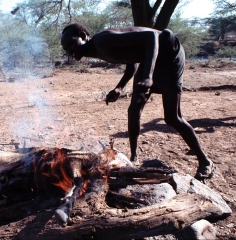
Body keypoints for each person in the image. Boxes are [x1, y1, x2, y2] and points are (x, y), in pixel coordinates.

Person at [60, 23, 216, 182]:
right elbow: (132, 60)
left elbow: (151, 37)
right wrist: (119, 88)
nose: (69, 50)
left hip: (169, 52)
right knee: (134, 111)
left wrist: (148, 77)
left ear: (84, 36)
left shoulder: (102, 41)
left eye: (71, 43)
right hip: (149, 58)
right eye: (66, 49)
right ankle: (133, 158)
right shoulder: (97, 50)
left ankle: (205, 161)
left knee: (172, 117)